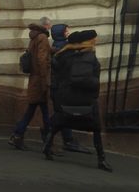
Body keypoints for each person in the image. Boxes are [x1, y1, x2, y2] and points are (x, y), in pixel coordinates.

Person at [43, 29, 112, 172]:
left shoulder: (62, 55)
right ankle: (101, 159)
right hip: (84, 98)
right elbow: (89, 80)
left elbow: (58, 75)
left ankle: (47, 146)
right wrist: (95, 89)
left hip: (65, 97)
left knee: (60, 122)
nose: (96, 41)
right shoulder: (89, 57)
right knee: (96, 128)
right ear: (89, 41)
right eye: (94, 39)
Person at [9, 17, 51, 150]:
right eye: (50, 25)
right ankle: (47, 141)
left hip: (34, 79)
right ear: (46, 25)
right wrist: (45, 81)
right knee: (44, 111)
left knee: (33, 110)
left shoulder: (34, 37)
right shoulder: (43, 38)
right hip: (39, 81)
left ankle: (17, 135)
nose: (50, 27)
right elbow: (42, 59)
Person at [49, 24, 91, 154]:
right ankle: (63, 138)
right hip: (61, 86)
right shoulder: (63, 48)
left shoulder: (57, 45)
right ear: (61, 33)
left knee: (63, 113)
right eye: (66, 30)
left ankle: (67, 139)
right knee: (63, 113)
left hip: (58, 85)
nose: (68, 32)